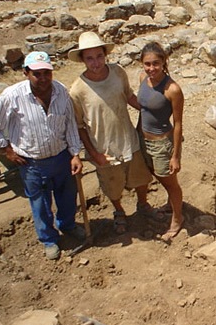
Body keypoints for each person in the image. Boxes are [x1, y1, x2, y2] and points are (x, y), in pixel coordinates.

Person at [0, 51, 85, 260]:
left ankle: (68, 225)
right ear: (26, 73)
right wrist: (6, 149)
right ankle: (49, 239)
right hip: (32, 162)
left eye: (47, 72)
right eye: (37, 74)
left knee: (67, 196)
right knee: (40, 203)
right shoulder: (13, 96)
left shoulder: (61, 92)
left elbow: (70, 124)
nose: (43, 78)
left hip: (61, 156)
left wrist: (75, 153)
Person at [68, 32, 162, 234]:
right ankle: (119, 211)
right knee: (113, 186)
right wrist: (95, 154)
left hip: (129, 138)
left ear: (105, 55)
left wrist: (153, 111)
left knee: (141, 177)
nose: (95, 63)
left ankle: (143, 204)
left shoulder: (118, 72)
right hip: (104, 148)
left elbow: (129, 96)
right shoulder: (77, 90)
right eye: (90, 58)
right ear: (83, 60)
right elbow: (79, 126)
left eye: (99, 56)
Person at [137, 42, 184, 242]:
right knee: (147, 176)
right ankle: (165, 206)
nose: (151, 69)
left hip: (161, 143)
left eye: (156, 63)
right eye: (147, 64)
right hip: (141, 138)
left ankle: (177, 218)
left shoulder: (172, 89)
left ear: (164, 62)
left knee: (169, 183)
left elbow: (179, 124)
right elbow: (142, 110)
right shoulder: (142, 79)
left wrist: (175, 156)